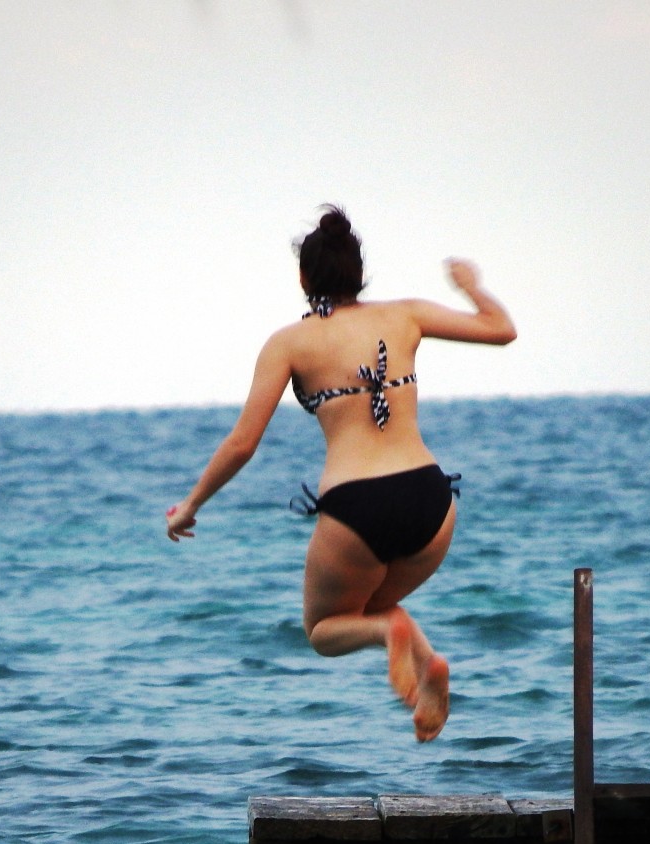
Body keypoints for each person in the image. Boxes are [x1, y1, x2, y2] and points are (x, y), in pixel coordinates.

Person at [165, 206, 515, 741]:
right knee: (370, 606)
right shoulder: (405, 315)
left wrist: (191, 505)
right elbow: (501, 330)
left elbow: (243, 442)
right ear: (360, 272)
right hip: (431, 498)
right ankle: (426, 666)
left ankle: (396, 634)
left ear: (304, 279)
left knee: (327, 630)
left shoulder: (289, 343)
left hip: (357, 507)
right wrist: (472, 285)